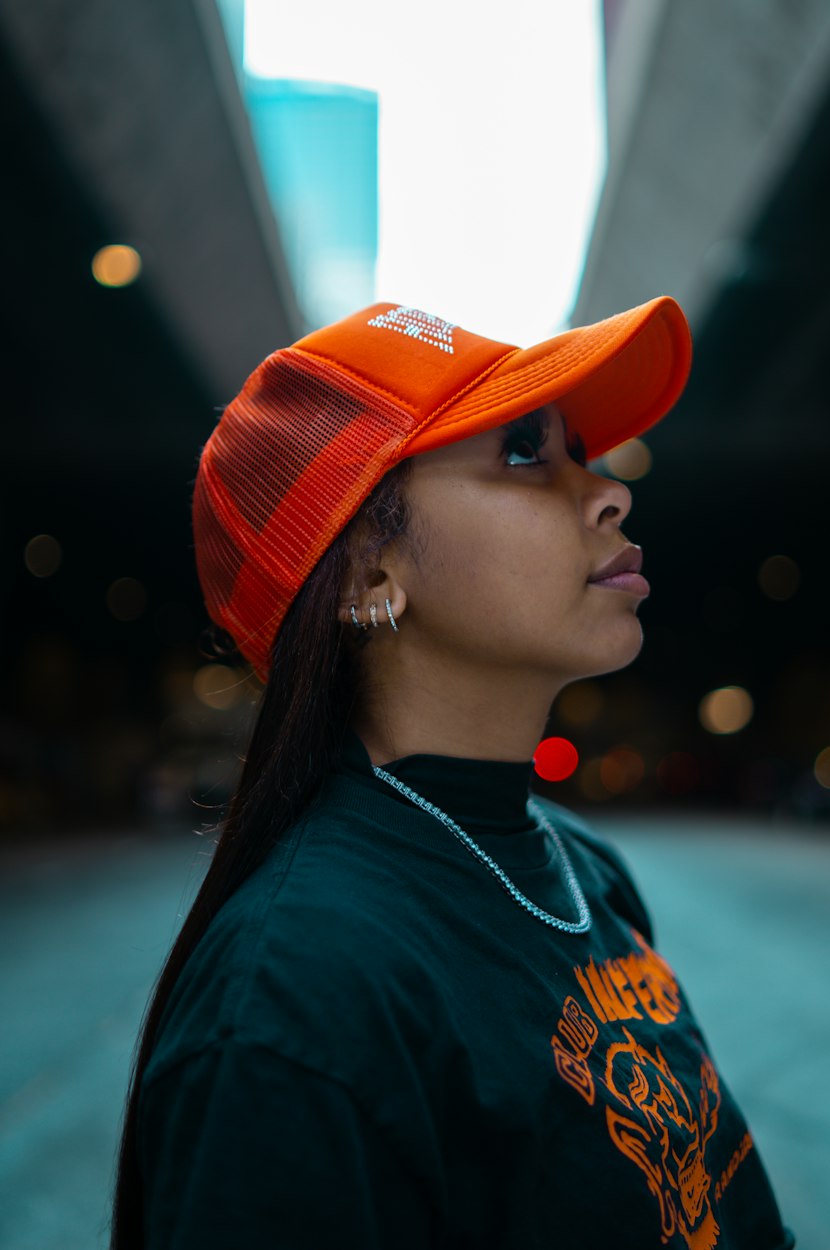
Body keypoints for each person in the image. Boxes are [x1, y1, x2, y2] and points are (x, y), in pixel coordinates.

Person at [111, 299, 795, 1248]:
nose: (609, 493)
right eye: (525, 452)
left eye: (581, 451)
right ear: (368, 577)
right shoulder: (293, 1007)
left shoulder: (583, 866)